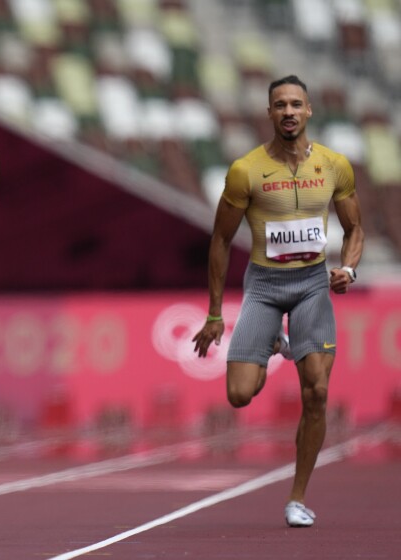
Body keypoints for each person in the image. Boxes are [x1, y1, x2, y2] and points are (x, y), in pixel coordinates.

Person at [192, 75, 363, 528]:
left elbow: (355, 229)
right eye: (279, 105)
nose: (288, 112)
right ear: (268, 113)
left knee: (318, 392)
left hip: (311, 284)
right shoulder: (245, 170)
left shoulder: (334, 165)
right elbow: (220, 241)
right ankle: (273, 343)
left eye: (296, 104)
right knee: (239, 395)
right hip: (264, 287)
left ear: (309, 111)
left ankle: (297, 497)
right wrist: (213, 313)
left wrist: (348, 268)